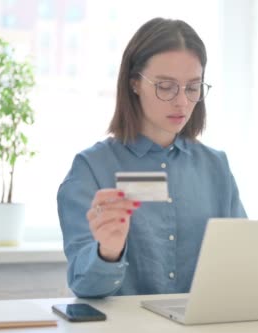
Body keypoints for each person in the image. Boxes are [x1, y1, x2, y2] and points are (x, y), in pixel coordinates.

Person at [57, 18, 246, 298]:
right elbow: (85, 287)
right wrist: (108, 252)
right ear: (134, 83)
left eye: (193, 87)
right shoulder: (91, 169)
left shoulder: (216, 167)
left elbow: (244, 264)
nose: (182, 102)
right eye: (165, 86)